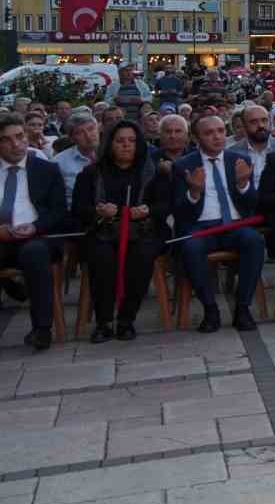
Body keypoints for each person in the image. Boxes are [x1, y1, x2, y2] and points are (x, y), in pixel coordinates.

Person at [73, 120, 170, 344]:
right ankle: (104, 321)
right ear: (109, 144)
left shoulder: (153, 171)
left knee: (142, 256)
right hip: (103, 230)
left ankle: (126, 320)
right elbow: (78, 209)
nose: (126, 145)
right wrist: (99, 211)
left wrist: (148, 210)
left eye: (132, 141)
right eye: (120, 141)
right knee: (102, 257)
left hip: (143, 230)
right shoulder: (92, 173)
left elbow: (165, 205)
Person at [172, 115, 265, 332]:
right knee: (191, 247)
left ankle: (243, 308)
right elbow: (178, 211)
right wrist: (194, 192)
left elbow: (252, 205)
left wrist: (243, 184)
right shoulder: (183, 166)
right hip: (201, 226)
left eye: (221, 131)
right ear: (196, 138)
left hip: (234, 225)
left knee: (254, 241)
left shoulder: (240, 160)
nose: (217, 136)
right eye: (209, 133)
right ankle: (210, 309)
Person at [0, 113, 69, 350]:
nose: (16, 144)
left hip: (38, 236)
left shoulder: (46, 169)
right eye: (6, 139)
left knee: (33, 253)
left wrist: (35, 227)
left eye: (19, 137)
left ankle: (41, 329)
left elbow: (59, 212)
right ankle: (13, 287)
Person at [228, 104, 275, 189]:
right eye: (254, 122)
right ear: (244, 127)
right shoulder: (232, 153)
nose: (261, 125)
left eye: (264, 120)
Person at [52, 111, 99, 208]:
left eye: (91, 129)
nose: (88, 135)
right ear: (72, 139)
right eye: (80, 133)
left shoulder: (112, 153)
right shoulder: (59, 162)